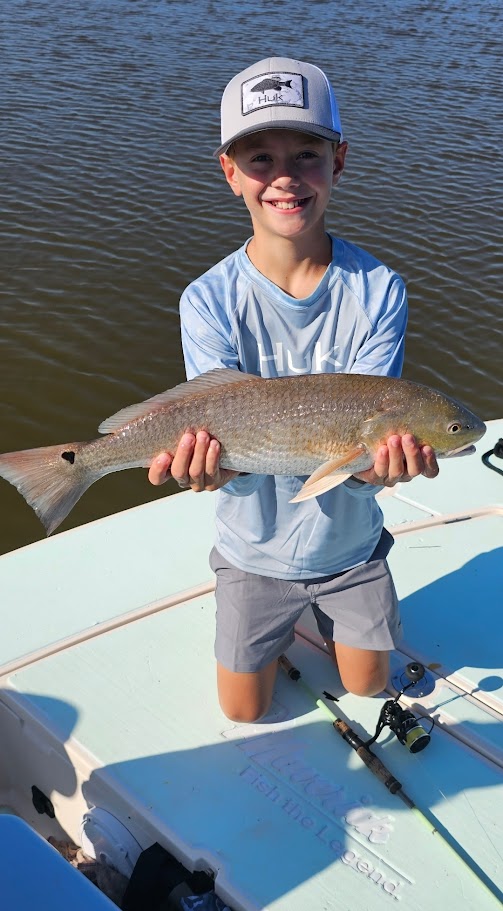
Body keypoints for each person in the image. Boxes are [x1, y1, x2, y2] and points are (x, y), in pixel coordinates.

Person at [148, 57, 439, 722]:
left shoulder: (378, 289)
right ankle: (275, 625)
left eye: (305, 154)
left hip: (350, 548)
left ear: (339, 161)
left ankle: (331, 616)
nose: (284, 177)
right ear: (230, 174)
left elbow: (368, 442)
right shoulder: (207, 300)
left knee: (368, 686)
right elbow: (225, 447)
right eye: (259, 158)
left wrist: (376, 473)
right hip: (251, 550)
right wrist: (212, 470)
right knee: (243, 711)